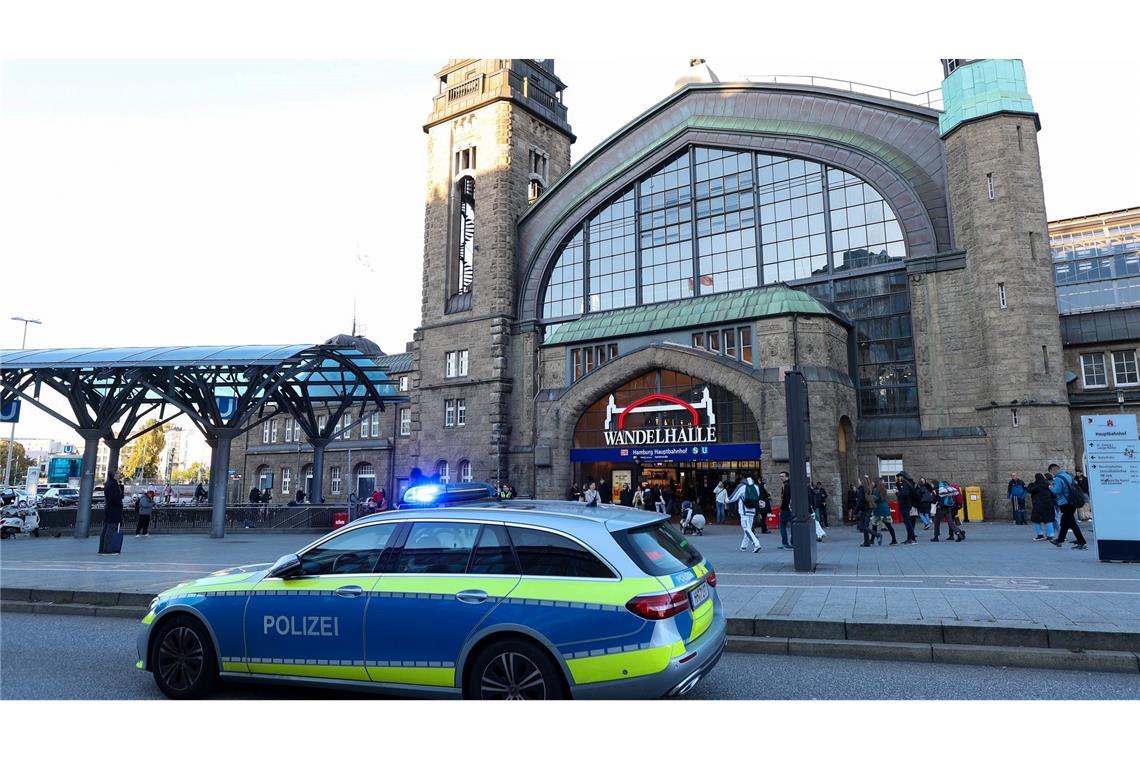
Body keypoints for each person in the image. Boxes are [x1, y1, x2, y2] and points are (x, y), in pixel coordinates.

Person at [1049, 464, 1088, 549]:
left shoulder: (1058, 478)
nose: (1052, 474)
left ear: (1053, 470)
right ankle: (1059, 540)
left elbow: (1056, 491)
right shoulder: (1067, 476)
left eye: (1052, 472)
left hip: (1064, 503)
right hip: (1072, 502)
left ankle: (1082, 542)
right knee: (1064, 523)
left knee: (1072, 523)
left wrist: (1050, 487)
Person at [728, 476, 762, 553]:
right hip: (752, 510)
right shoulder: (756, 487)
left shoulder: (742, 486)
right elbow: (758, 496)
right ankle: (743, 546)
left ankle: (756, 544)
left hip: (744, 511)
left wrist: (726, 500)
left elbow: (734, 496)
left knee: (746, 528)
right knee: (748, 528)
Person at [98, 470, 125, 555]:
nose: (120, 474)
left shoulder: (108, 483)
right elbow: (115, 498)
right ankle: (107, 549)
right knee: (111, 528)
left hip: (109, 508)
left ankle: (102, 548)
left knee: (106, 528)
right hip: (114, 509)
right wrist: (119, 501)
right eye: (118, 473)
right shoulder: (113, 484)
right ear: (114, 475)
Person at [1026, 473, 1057, 542]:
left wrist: (1030, 484)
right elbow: (1054, 494)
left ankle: (1040, 535)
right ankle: (1050, 535)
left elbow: (1029, 490)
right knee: (1049, 520)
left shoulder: (1036, 485)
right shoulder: (1047, 484)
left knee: (1035, 519)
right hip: (1049, 505)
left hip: (1038, 505)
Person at [895, 471, 919, 544]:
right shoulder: (909, 483)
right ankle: (909, 539)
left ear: (903, 476)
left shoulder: (906, 484)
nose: (898, 478)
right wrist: (898, 484)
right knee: (909, 522)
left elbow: (904, 494)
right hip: (909, 505)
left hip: (905, 505)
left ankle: (913, 538)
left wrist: (897, 494)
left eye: (899, 476)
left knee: (908, 523)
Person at [871, 478, 897, 545]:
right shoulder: (884, 490)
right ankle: (894, 540)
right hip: (885, 509)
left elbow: (875, 499)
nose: (872, 483)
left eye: (873, 482)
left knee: (874, 525)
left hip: (879, 509)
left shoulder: (875, 490)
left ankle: (872, 540)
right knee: (889, 526)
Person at [855, 478, 875, 547]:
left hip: (864, 509)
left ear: (861, 482)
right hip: (868, 509)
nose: (858, 482)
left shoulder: (861, 490)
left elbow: (860, 502)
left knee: (863, 526)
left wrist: (855, 511)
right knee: (864, 526)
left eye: (859, 481)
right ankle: (867, 542)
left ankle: (877, 535)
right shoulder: (867, 489)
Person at [777, 471, 793, 550]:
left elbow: (785, 498)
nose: (781, 478)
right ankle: (793, 542)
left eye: (782, 476)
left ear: (787, 477)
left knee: (782, 525)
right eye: (780, 476)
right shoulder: (791, 484)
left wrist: (782, 508)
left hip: (786, 508)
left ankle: (785, 543)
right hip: (791, 508)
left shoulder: (786, 485)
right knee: (793, 524)